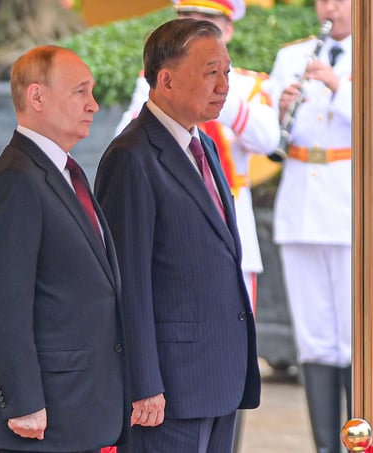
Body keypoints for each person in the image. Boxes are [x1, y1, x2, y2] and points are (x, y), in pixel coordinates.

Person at [95, 18, 261, 453]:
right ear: (165, 80)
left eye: (227, 71)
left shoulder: (202, 144)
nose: (224, 85)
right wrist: (144, 383)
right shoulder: (131, 156)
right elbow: (126, 281)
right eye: (211, 72)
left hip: (216, 377)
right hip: (168, 390)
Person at [265, 0, 373, 451]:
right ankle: (325, 446)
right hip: (302, 207)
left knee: (362, 342)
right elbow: (269, 133)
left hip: (360, 207)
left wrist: (339, 87)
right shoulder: (290, 57)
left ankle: (365, 444)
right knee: (314, 341)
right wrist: (280, 112)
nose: (330, 8)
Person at [0, 45, 127, 453]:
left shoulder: (64, 172)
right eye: (80, 91)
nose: (93, 105)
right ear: (37, 97)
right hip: (42, 421)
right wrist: (24, 401)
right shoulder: (17, 178)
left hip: (79, 410)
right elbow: (3, 300)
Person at [115, 0, 280, 308]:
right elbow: (125, 141)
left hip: (230, 218)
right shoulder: (154, 81)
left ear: (228, 31)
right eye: (187, 16)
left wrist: (215, 85)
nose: (194, 25)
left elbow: (268, 140)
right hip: (172, 221)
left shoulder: (249, 83)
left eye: (207, 19)